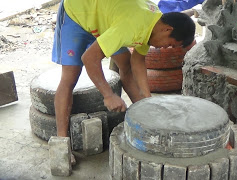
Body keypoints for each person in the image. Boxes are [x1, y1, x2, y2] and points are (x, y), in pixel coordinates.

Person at [52, 0, 195, 164]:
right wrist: (108, 95)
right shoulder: (131, 26)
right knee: (70, 76)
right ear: (167, 29)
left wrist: (147, 100)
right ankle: (61, 142)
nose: (165, 49)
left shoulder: (153, 25)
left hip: (106, 18)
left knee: (126, 64)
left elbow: (138, 61)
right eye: (169, 44)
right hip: (78, 12)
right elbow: (89, 58)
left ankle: (144, 117)